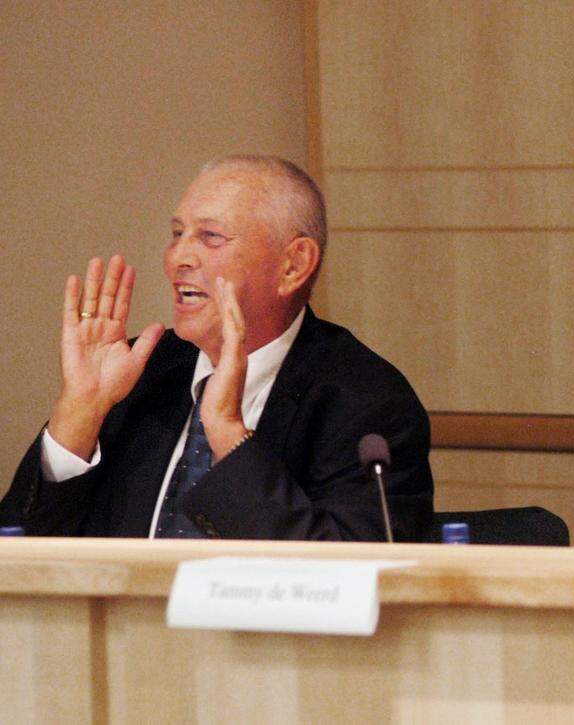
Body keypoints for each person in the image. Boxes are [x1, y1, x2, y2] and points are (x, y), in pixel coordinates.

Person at [0, 155, 433, 541]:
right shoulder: (138, 375)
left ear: (294, 264)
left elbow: (350, 579)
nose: (177, 259)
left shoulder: (368, 403)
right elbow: (17, 551)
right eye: (176, 234)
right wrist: (81, 411)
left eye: (210, 237)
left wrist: (226, 431)